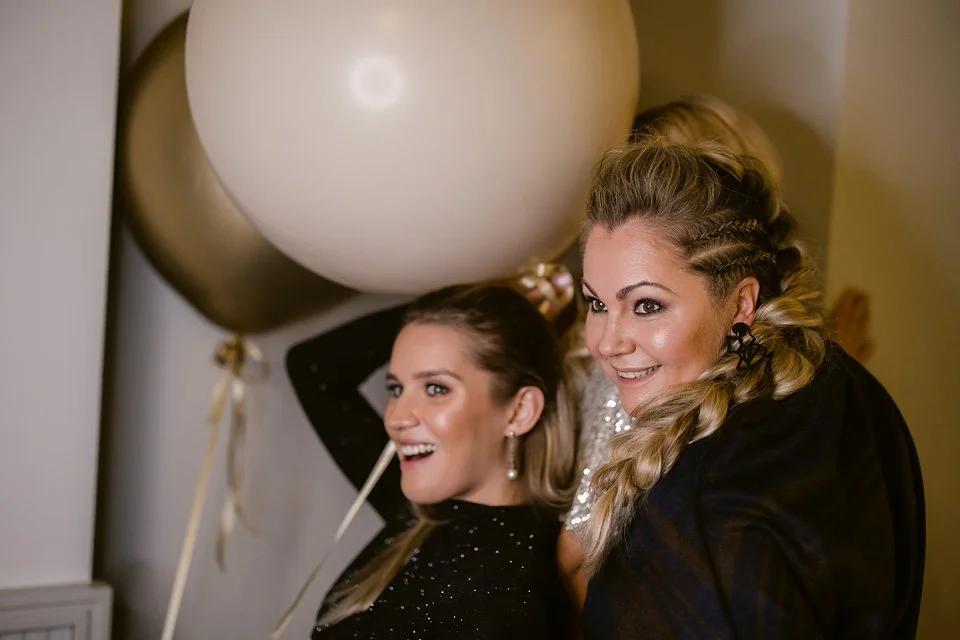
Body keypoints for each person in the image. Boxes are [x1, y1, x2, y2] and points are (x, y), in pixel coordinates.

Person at [572, 139, 924, 638]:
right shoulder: (846, 386)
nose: (608, 342)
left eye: (647, 305)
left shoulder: (698, 492)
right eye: (597, 303)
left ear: (741, 303)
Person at [302, 283, 578, 638]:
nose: (397, 417)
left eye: (435, 388)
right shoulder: (423, 512)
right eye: (396, 389)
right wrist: (484, 294)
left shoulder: (509, 604)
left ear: (519, 411)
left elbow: (313, 371)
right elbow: (315, 370)